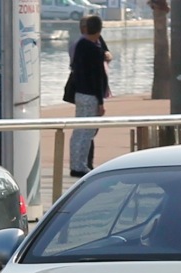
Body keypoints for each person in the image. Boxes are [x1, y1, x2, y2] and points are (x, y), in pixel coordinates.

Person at [69, 15, 109, 178]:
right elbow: (97, 78)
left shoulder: (80, 45)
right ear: (99, 30)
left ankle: (75, 163)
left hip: (80, 93)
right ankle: (81, 166)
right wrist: (101, 102)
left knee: (79, 131)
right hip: (91, 95)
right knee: (87, 132)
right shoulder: (94, 50)